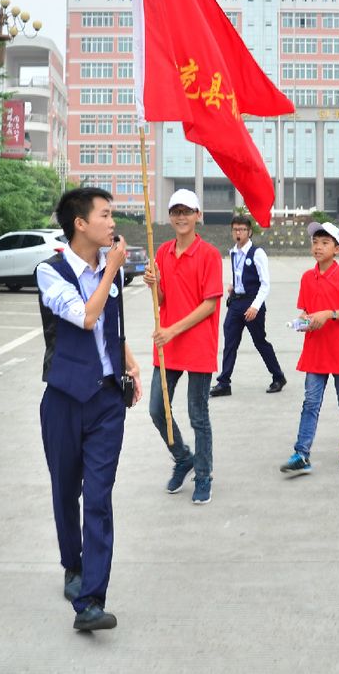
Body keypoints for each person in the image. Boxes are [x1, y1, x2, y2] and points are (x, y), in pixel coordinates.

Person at [35, 188, 143, 632]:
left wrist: (129, 362)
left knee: (98, 497)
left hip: (105, 401)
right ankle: (72, 564)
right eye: (105, 214)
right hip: (63, 398)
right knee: (66, 492)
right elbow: (84, 316)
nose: (112, 222)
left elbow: (111, 329)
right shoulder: (51, 271)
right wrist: (112, 270)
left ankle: (91, 599)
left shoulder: (109, 270)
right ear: (80, 223)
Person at [143, 189, 223, 506]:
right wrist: (154, 284)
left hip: (197, 344)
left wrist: (172, 329)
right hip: (168, 347)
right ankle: (183, 457)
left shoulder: (209, 255)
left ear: (197, 215)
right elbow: (162, 300)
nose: (180, 217)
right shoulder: (162, 251)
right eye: (175, 211)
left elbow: (209, 304)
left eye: (186, 211)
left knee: (197, 415)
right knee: (156, 409)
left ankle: (203, 475)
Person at [280, 221, 339, 474]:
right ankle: (301, 452)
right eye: (315, 242)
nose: (318, 247)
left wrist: (329, 314)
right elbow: (307, 312)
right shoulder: (307, 277)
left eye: (325, 242)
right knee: (310, 403)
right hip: (315, 351)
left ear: (337, 249)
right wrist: (303, 322)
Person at [211, 215, 286, 397]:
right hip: (236, 302)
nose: (238, 233)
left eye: (242, 229)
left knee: (260, 342)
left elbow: (265, 283)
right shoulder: (234, 251)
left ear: (249, 231)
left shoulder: (257, 253)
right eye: (235, 229)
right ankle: (224, 382)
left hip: (253, 302)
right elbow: (237, 271)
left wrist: (255, 306)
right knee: (230, 342)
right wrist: (232, 284)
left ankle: (278, 376)